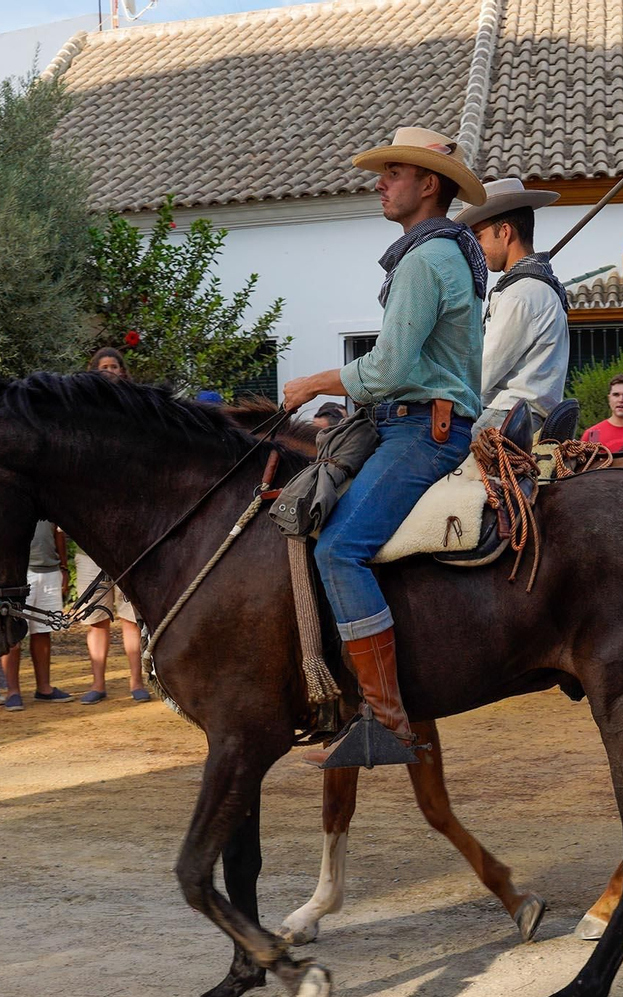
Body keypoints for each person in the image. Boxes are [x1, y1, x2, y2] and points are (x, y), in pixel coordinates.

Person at [280, 125, 488, 766]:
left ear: (428, 185)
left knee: (341, 548)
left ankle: (384, 718)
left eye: (393, 173)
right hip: (410, 421)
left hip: (422, 430)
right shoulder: (437, 252)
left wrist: (316, 381)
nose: (380, 183)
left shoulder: (425, 258)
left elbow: (393, 365)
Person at [455, 177, 568, 435]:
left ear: (505, 232)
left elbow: (481, 374)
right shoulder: (530, 287)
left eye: (479, 237)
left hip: (508, 417)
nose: (475, 249)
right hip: (521, 413)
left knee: (436, 458)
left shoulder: (521, 294)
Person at [78, 348, 152, 704]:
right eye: (102, 368)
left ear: (124, 372)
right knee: (96, 615)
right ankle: (97, 684)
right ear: (93, 373)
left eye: (114, 367)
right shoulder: (81, 419)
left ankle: (137, 682)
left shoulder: (135, 415)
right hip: (91, 535)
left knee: (129, 616)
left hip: (129, 536)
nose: (108, 372)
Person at [2, 521, 74, 709]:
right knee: (14, 634)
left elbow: (58, 532)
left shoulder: (47, 496)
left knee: (43, 631)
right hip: (19, 573)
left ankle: (44, 688)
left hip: (50, 572)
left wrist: (64, 568)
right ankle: (13, 692)